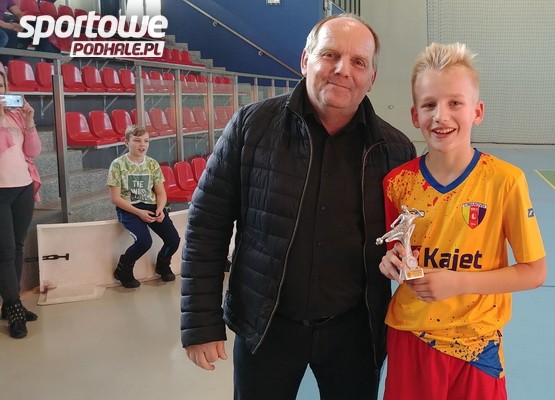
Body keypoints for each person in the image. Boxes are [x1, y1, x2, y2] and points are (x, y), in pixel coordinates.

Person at [179, 14, 415, 400]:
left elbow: (411, 238)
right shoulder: (251, 127)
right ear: (306, 60)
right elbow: (207, 226)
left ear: (371, 78)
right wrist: (200, 322)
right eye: (330, 54)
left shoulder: (396, 150)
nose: (343, 70)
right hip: (266, 328)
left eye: (358, 62)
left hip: (355, 336)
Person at [377, 42, 547, 400]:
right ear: (415, 115)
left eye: (455, 103)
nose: (441, 116)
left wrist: (458, 282)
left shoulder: (504, 181)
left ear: (477, 111)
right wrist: (390, 262)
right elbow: (397, 251)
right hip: (413, 337)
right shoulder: (397, 183)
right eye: (429, 105)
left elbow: (534, 272)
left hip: (477, 344)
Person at [107, 125, 180, 289]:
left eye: (146, 141)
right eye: (137, 140)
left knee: (173, 240)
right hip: (129, 209)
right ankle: (123, 269)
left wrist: (160, 208)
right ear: (126, 142)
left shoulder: (152, 164)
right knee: (144, 241)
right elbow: (115, 198)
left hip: (152, 206)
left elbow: (161, 193)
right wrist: (139, 212)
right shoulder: (117, 165)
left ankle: (163, 265)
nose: (142, 145)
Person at [0, 69, 40, 339]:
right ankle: (14, 306)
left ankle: (10, 303)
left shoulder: (15, 115)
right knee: (4, 251)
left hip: (23, 188)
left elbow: (32, 151)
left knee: (16, 247)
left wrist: (29, 121)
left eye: (0, 84)